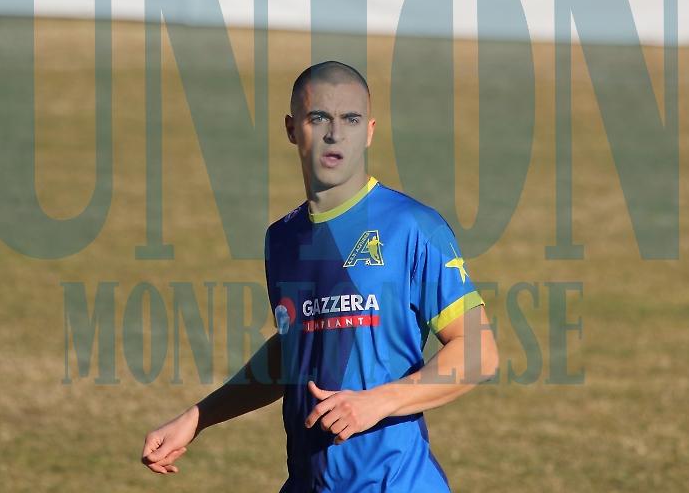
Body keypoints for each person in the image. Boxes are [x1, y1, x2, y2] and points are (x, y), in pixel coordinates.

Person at [141, 61, 499, 491]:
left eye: (351, 119)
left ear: (369, 131)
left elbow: (479, 352)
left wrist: (377, 402)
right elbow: (296, 346)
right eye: (319, 118)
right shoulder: (282, 239)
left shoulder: (413, 227)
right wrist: (198, 416)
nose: (335, 134)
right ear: (292, 129)